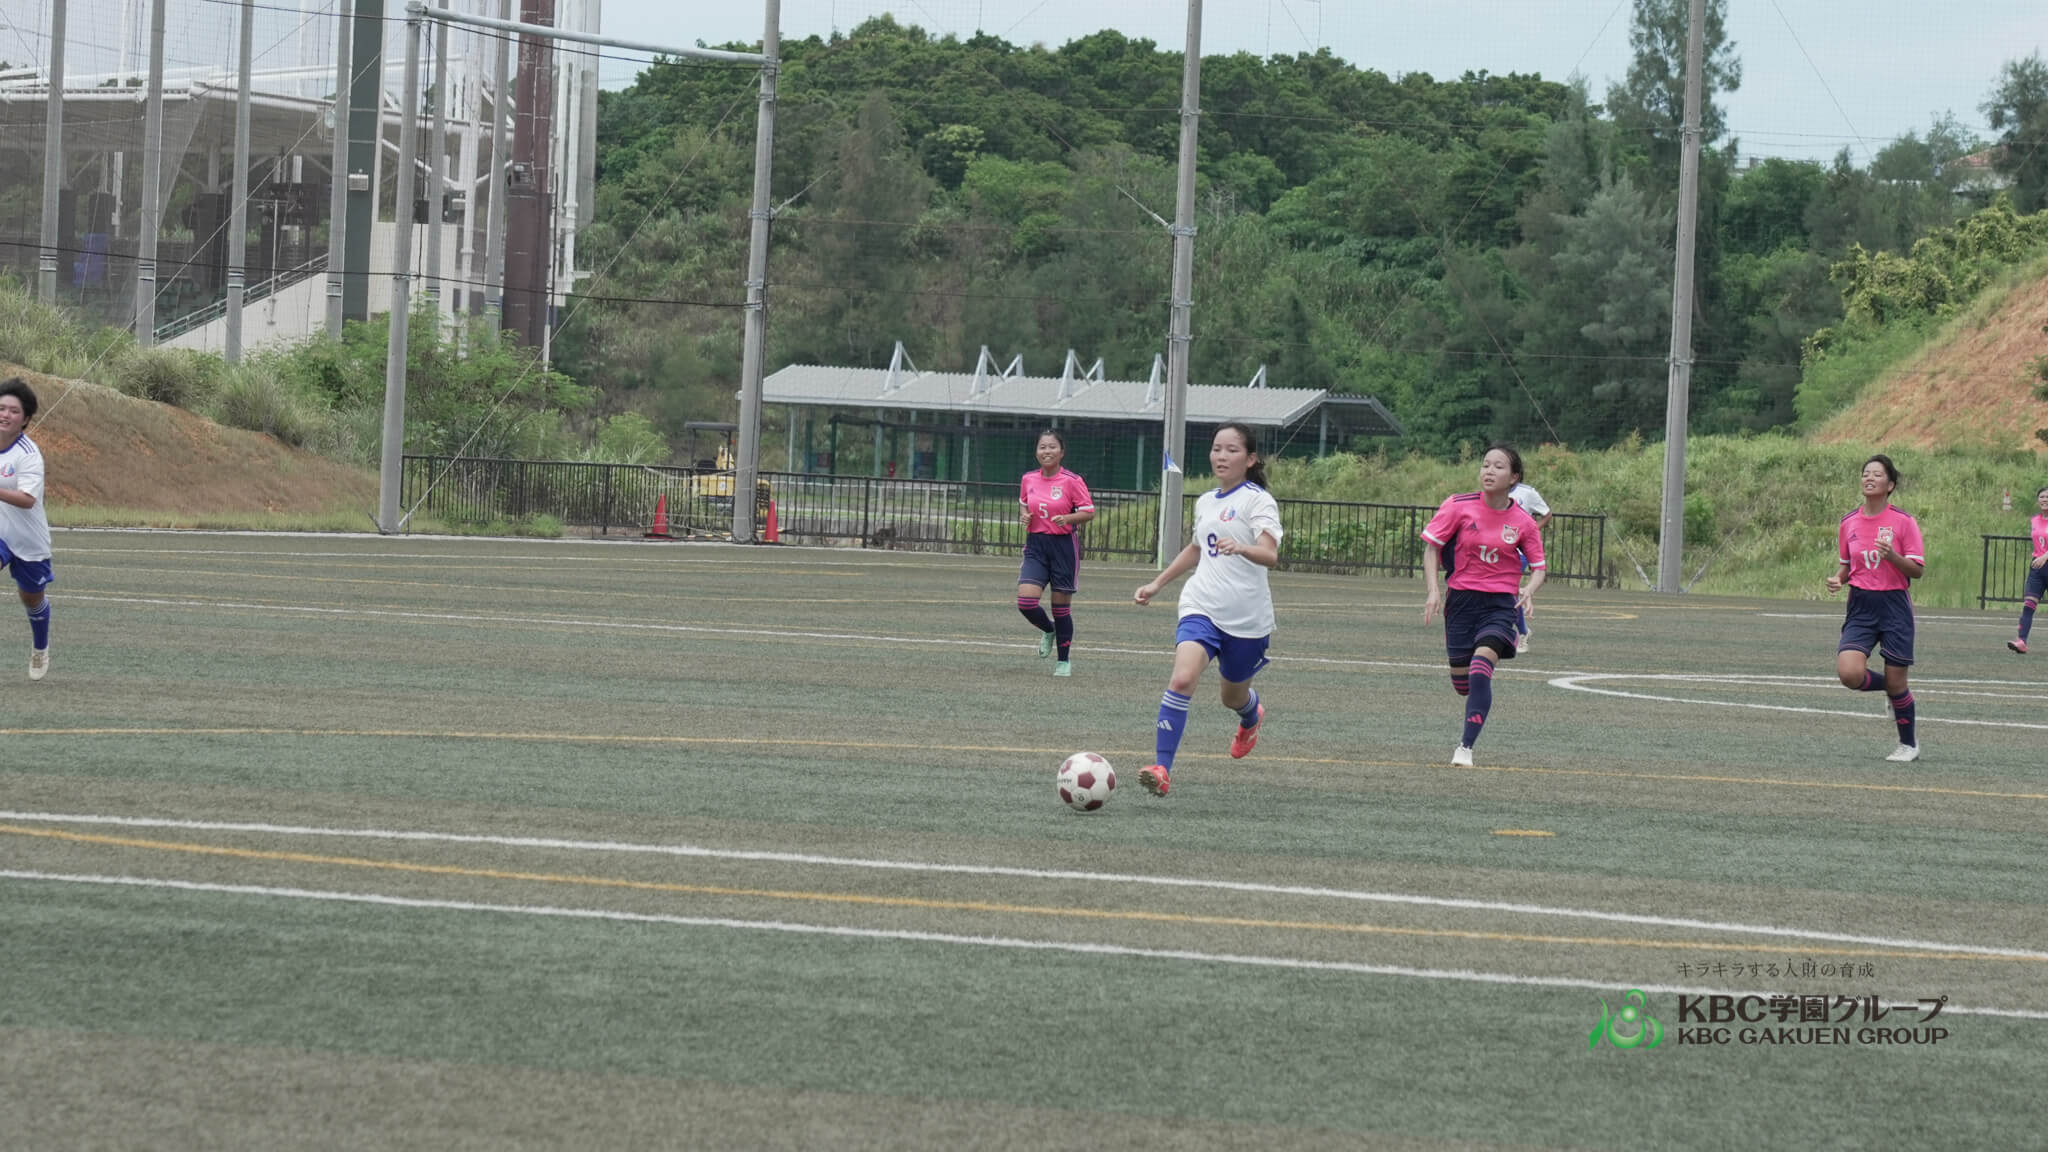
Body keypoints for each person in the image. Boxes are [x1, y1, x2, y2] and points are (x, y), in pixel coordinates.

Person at [1132, 422, 1283, 797]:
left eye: (1232, 450)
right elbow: (1197, 548)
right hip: (1201, 605)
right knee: (1182, 679)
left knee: (1232, 697)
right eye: (1217, 448)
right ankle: (1161, 769)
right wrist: (1158, 583)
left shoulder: (1258, 501)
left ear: (1250, 459)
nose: (1221, 456)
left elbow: (1270, 555)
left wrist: (1243, 547)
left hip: (1247, 619)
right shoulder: (1206, 501)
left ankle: (1250, 714)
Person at [1420, 444, 1546, 767]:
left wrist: (1529, 589)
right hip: (1461, 603)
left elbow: (1539, 567)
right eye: (1486, 464)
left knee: (1480, 670)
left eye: (1498, 466)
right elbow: (1432, 547)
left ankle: (1465, 748)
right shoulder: (1457, 505)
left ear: (1514, 477)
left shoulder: (1524, 522)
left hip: (1500, 605)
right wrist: (1434, 591)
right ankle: (1471, 708)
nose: (1489, 471)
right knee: (1463, 685)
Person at [1826, 454, 1925, 762]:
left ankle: (1908, 745)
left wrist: (1892, 556)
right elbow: (1847, 565)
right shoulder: (1848, 522)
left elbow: (1917, 570)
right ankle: (1892, 692)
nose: (1869, 478)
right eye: (1865, 473)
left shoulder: (1904, 522)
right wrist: (1838, 579)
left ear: (1890, 485)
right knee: (1849, 674)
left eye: (1877, 475)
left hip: (1894, 606)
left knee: (1898, 681)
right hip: (1861, 605)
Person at [1016, 429, 1095, 677]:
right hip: (1036, 546)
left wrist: (1068, 518)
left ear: (1061, 452)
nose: (1046, 451)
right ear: (1036, 451)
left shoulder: (1072, 480)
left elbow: (1088, 512)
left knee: (1060, 608)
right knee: (1026, 602)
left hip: (1063, 548)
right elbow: (1023, 503)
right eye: (1042, 447)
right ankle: (1049, 629)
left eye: (1052, 447)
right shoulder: (1028, 479)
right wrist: (1025, 516)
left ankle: (1063, 661)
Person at [0, 378, 52, 681]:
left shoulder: (29, 454)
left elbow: (27, 499)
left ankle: (40, 648)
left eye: (13, 411)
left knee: (32, 599)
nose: (5, 415)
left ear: (25, 419)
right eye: (1, 408)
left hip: (29, 539)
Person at [1507, 478, 1550, 652]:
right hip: (1499, 549)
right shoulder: (1494, 492)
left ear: (1514, 474)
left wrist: (1530, 532)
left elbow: (1547, 514)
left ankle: (1523, 633)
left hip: (1519, 551)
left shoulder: (1527, 492)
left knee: (1508, 591)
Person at [2008, 485, 2048, 655]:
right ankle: (2022, 642)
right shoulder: (2034, 520)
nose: (2045, 499)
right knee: (2029, 605)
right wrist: (2040, 558)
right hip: (2037, 568)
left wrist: (2045, 556)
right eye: (2042, 497)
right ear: (2038, 500)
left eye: (2047, 497)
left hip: (2044, 561)